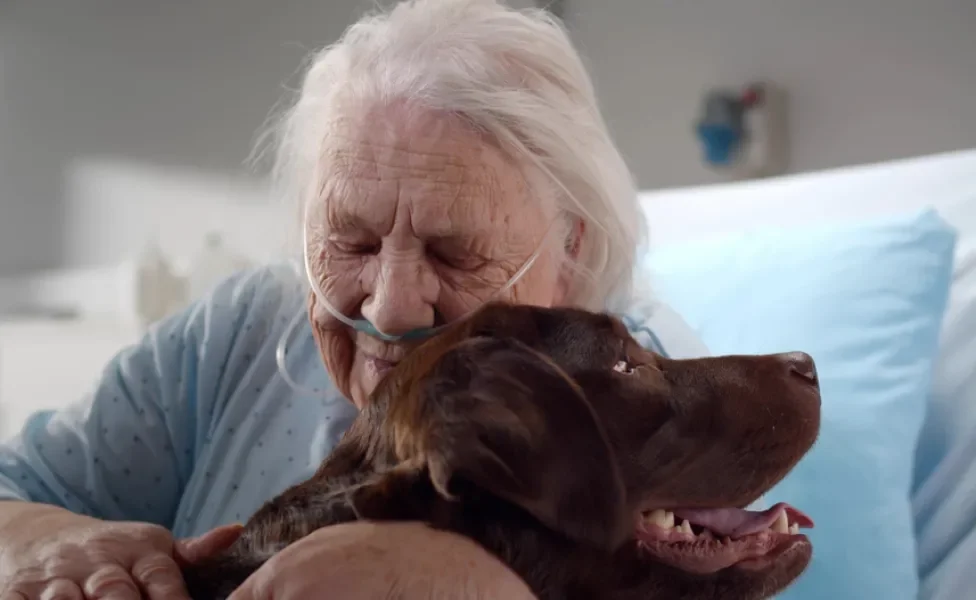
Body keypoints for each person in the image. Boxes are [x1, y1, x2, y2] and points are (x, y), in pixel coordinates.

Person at [0, 1, 711, 598]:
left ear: (571, 250)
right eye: (353, 243)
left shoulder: (641, 385)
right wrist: (46, 541)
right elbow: (16, 484)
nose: (391, 308)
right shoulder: (237, 332)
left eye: (450, 251)